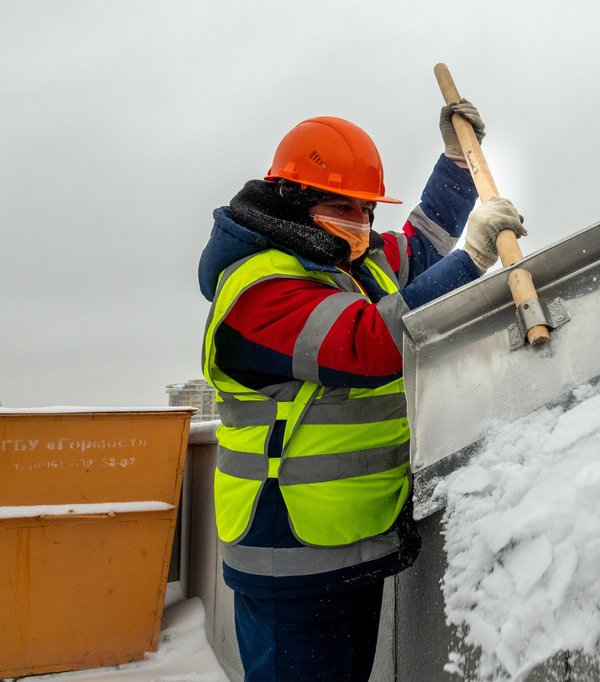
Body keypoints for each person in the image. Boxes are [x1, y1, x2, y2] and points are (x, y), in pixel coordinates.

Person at [197, 100, 525, 681]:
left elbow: (421, 246)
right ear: (294, 202)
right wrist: (475, 257)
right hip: (288, 557)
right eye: (340, 206)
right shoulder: (260, 288)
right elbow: (368, 342)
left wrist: (455, 163)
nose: (359, 223)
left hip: (351, 545)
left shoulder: (350, 260)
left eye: (366, 210)